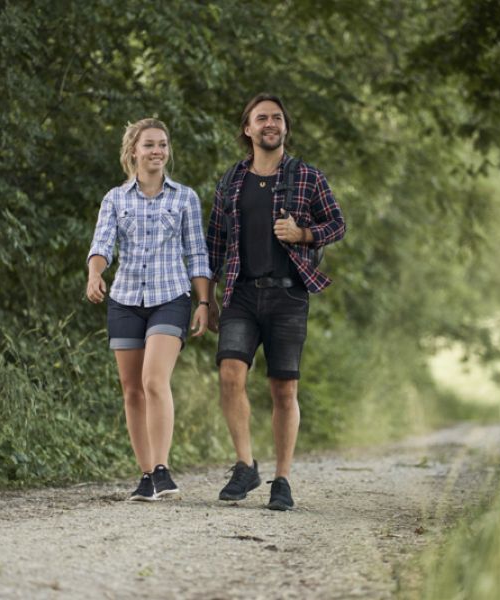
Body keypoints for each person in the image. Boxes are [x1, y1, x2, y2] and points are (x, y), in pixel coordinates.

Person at [206, 93, 346, 510]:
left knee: (284, 389)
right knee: (230, 374)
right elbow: (214, 244)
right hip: (240, 293)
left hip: (288, 294)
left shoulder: (308, 177)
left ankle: (282, 479)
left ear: (285, 127)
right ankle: (245, 465)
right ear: (247, 128)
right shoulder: (231, 181)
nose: (271, 123)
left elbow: (337, 224)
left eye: (277, 118)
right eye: (262, 117)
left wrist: (304, 234)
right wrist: (206, 299)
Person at [86, 118, 211, 501]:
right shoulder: (115, 199)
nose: (157, 151)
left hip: (171, 298)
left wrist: (204, 301)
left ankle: (161, 469)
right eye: (149, 144)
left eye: (163, 144)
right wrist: (95, 274)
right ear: (133, 151)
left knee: (154, 381)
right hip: (125, 300)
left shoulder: (185, 197)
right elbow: (102, 244)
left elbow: (197, 253)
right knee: (132, 390)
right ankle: (145, 476)